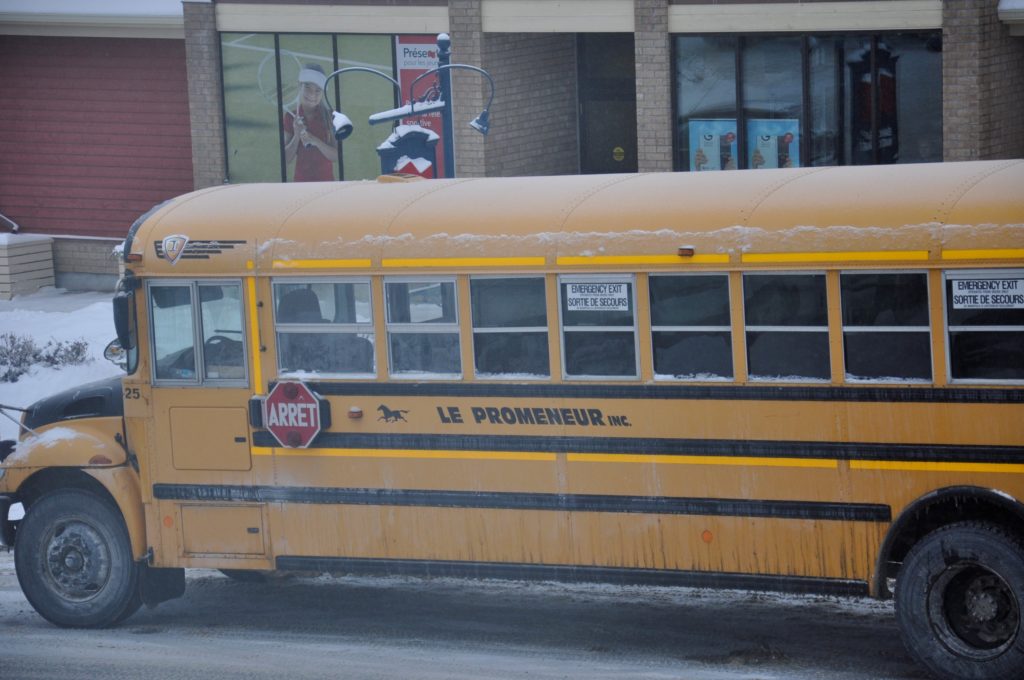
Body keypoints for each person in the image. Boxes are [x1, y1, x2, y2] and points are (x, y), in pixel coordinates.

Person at [283, 64, 337, 182]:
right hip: (300, 184)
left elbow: (336, 155)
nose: (312, 94)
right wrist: (297, 136)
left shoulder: (330, 116)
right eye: (307, 87)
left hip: (327, 185)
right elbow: (285, 159)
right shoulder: (289, 117)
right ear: (299, 86)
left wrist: (314, 140)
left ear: (322, 93)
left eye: (318, 90)